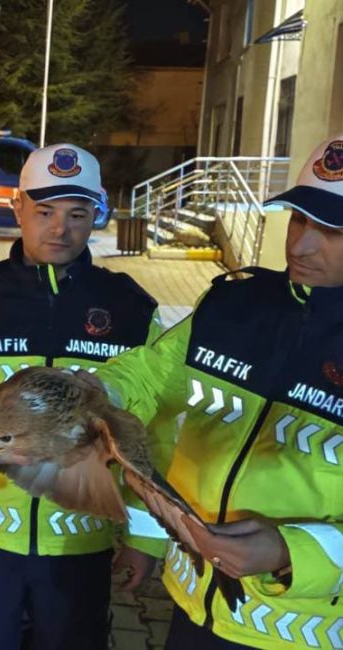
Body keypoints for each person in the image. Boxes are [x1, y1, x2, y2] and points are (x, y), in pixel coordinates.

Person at [0, 144, 169, 650]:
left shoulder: (132, 309)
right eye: (44, 212)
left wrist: (147, 535)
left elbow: (149, 428)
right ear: (17, 206)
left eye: (77, 213)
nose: (59, 229)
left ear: (99, 212)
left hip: (80, 539)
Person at [89, 136, 343, 649]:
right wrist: (88, 392)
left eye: (332, 231)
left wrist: (292, 551)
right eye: (298, 220)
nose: (299, 246)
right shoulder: (233, 302)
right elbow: (149, 375)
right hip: (192, 603)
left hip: (301, 630)